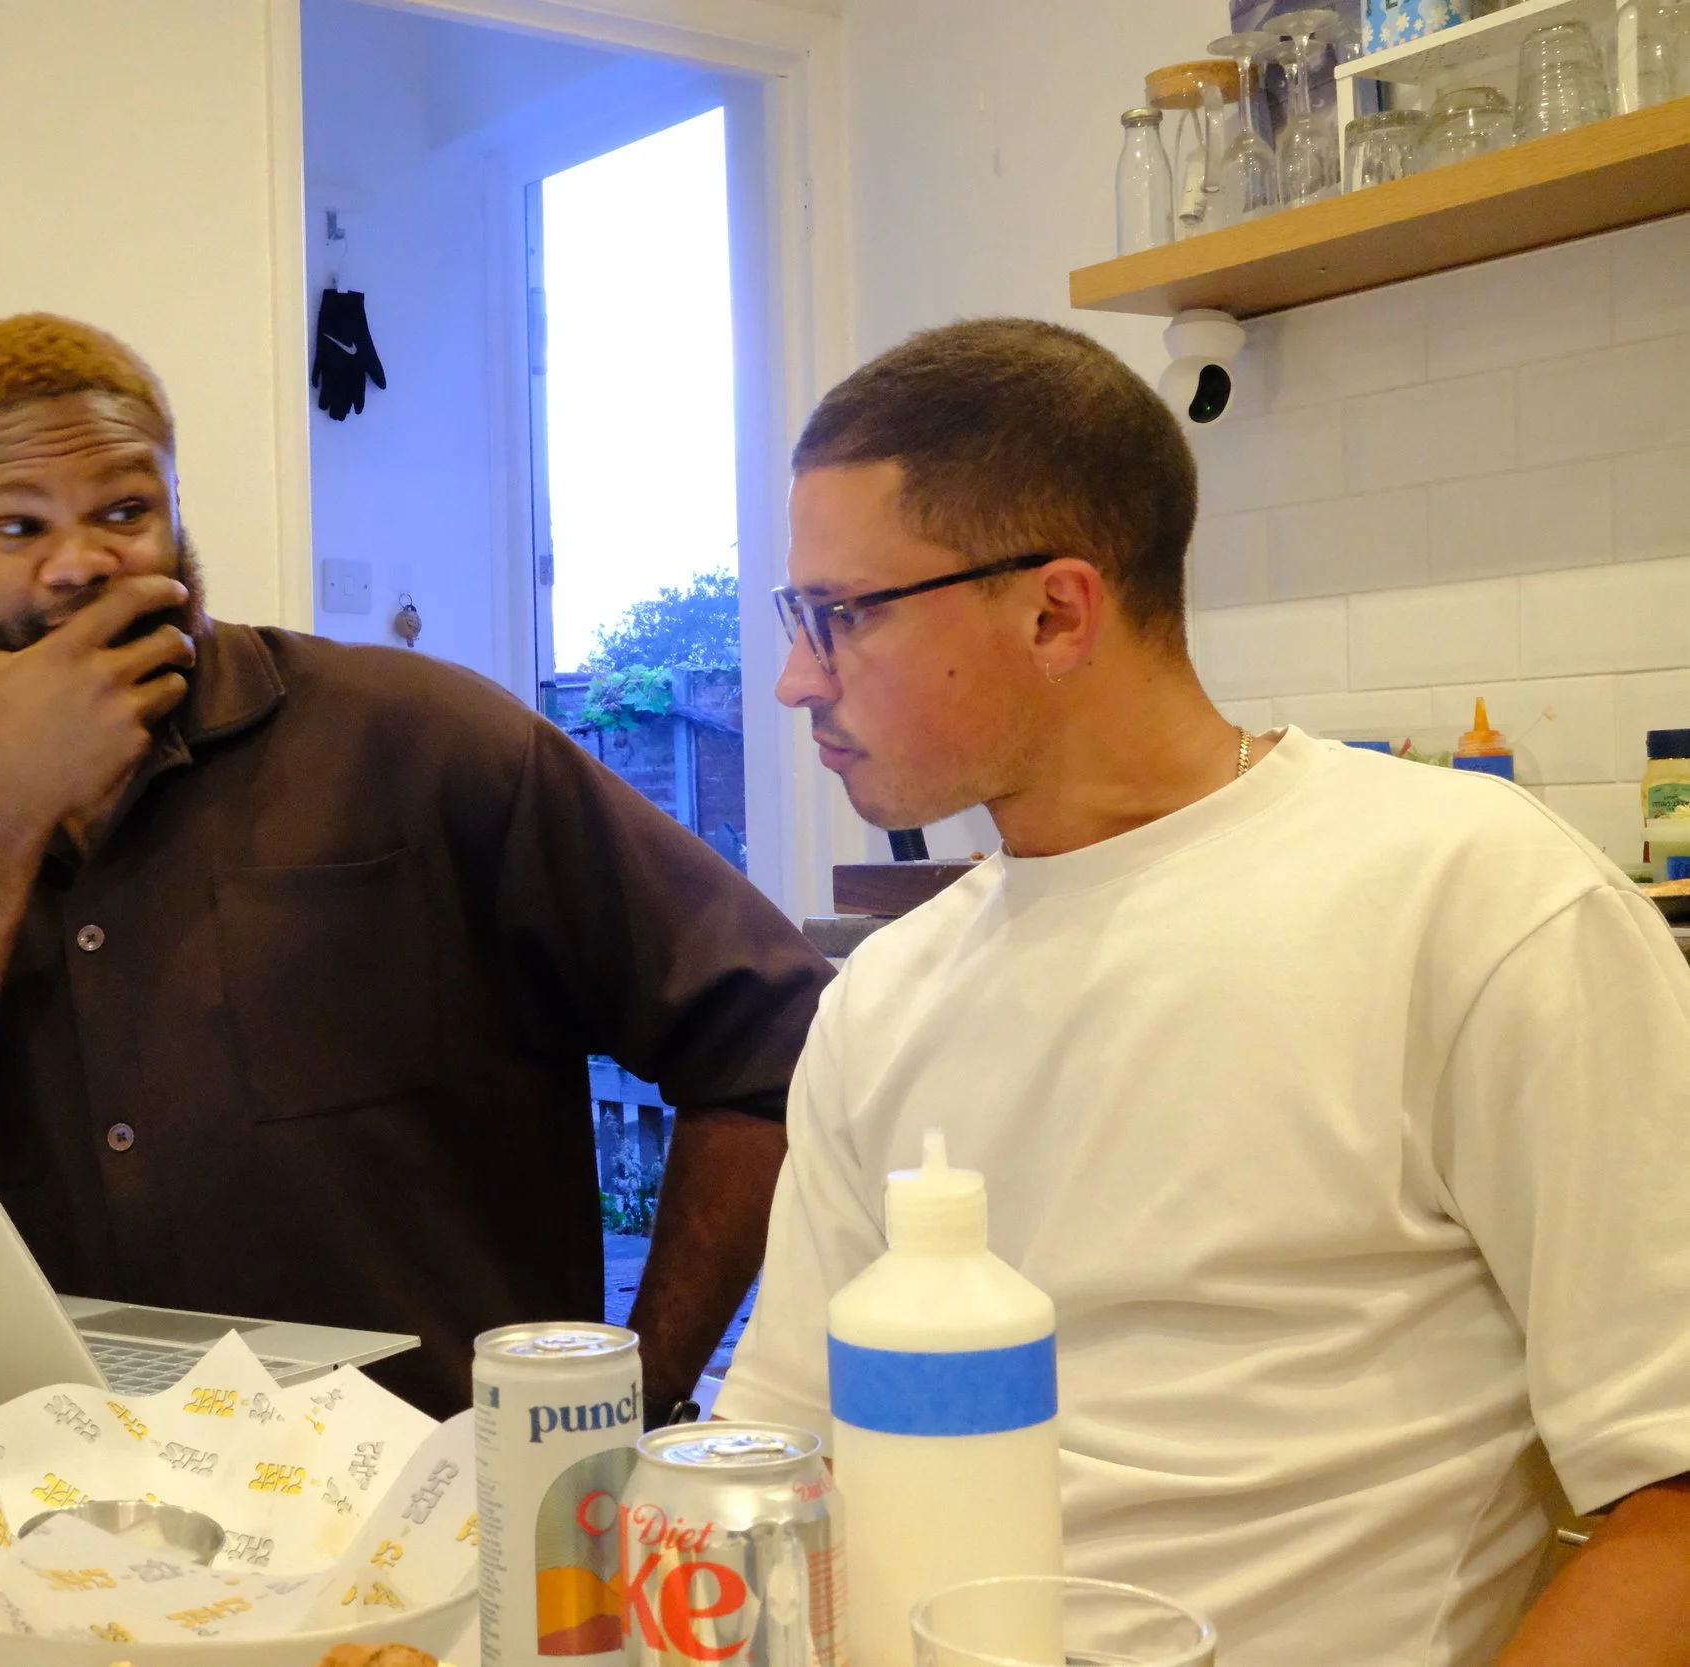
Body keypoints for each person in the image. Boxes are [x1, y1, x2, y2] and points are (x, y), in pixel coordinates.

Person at [716, 318, 1690, 1664]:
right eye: (797, 618)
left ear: (1057, 611)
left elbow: (1669, 1501)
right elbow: (779, 1461)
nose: (795, 679)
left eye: (844, 616)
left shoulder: (1475, 900)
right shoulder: (885, 992)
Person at [0, 312, 831, 1418]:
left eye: (124, 510)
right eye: (18, 526)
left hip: (434, 1498)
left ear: (176, 503)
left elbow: (776, 1036)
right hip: (36, 1496)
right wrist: (1, 814)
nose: (80, 563)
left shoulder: (423, 740)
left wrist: (631, 1400)